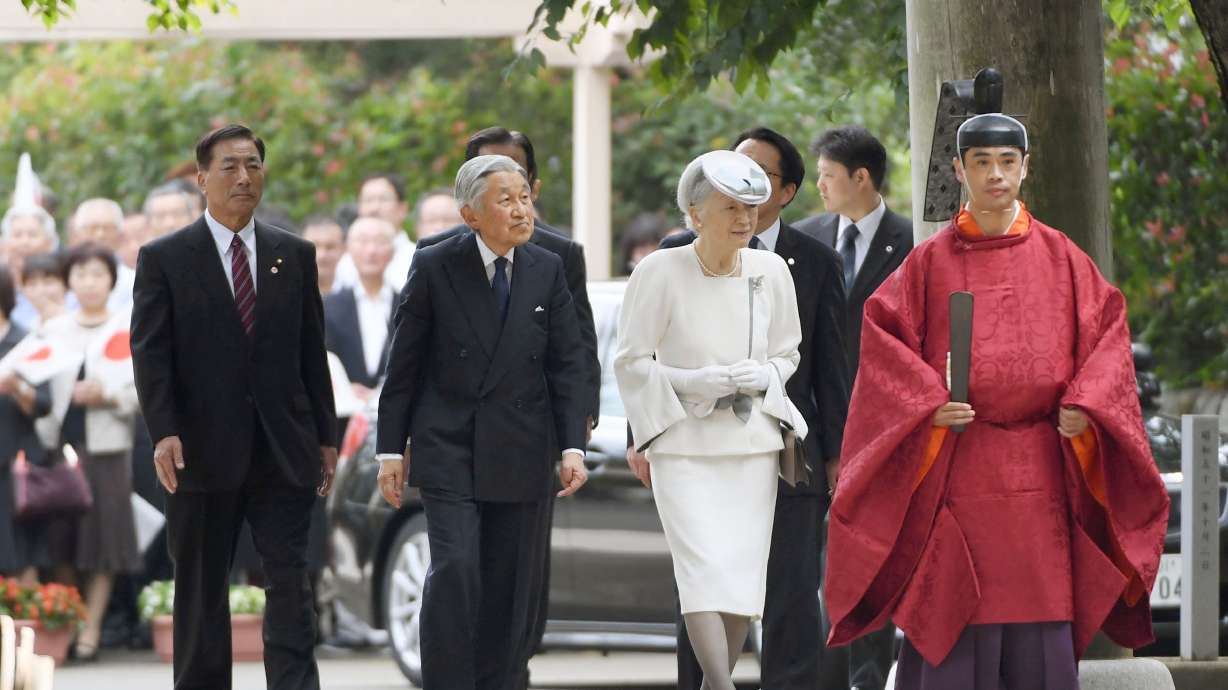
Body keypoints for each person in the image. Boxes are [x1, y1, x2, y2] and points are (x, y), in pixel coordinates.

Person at [824, 113, 1170, 689]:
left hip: (1040, 467)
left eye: (1007, 162)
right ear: (959, 169)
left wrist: (1085, 405)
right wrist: (928, 402)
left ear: (1025, 167)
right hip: (961, 460)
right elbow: (884, 342)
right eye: (981, 163)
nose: (995, 175)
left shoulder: (1064, 259)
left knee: (1040, 617)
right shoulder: (929, 262)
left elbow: (1108, 338)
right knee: (956, 613)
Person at [130, 124, 338, 690]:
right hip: (199, 450)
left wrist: (326, 435)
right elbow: (150, 355)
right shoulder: (165, 259)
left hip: (283, 448)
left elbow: (309, 352)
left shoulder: (293, 255)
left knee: (290, 586)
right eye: (229, 167)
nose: (244, 177)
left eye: (253, 165)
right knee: (200, 590)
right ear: (201, 179)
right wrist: (164, 431)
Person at [375, 154, 589, 690]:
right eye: (506, 200)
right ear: (471, 215)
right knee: (455, 570)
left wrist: (571, 448)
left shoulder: (547, 267)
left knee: (508, 585)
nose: (521, 210)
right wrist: (388, 450)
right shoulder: (434, 264)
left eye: (524, 197)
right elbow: (403, 364)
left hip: (521, 447)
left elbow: (568, 364)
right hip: (449, 446)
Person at [651, 129, 850, 690]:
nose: (738, 188)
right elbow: (645, 358)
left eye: (754, 179)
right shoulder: (672, 256)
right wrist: (649, 436)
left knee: (789, 595)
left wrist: (835, 456)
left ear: (783, 192)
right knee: (703, 588)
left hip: (785, 452)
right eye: (728, 176)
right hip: (696, 451)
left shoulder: (813, 262)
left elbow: (827, 368)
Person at [615, 150, 805, 690]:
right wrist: (692, 382)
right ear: (695, 215)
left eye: (751, 208)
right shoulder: (659, 270)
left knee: (742, 576)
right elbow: (631, 361)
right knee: (700, 571)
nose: (744, 220)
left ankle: (712, 685)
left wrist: (763, 374)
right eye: (731, 208)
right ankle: (720, 683)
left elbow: (789, 353)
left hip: (751, 446)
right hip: (684, 447)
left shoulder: (771, 271)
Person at [793, 125, 911, 690]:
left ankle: (869, 678)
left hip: (885, 428)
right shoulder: (807, 240)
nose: (819, 185)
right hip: (814, 426)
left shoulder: (912, 243)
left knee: (872, 558)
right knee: (812, 564)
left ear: (861, 178)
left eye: (828, 176)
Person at [40, 243, 141, 661]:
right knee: (61, 541)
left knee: (105, 541)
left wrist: (108, 396)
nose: (89, 282)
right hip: (59, 448)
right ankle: (74, 616)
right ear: (69, 282)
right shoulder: (54, 329)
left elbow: (145, 390)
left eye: (97, 273)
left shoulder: (127, 327)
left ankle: (91, 629)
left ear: (111, 281)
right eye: (80, 274)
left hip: (107, 448)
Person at [0, 264, 52, 586]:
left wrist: (16, 387)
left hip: (15, 463)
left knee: (20, 551)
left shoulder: (26, 341)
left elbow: (43, 405)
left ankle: (26, 630)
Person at [323, 217, 397, 400]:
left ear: (393, 251)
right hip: (342, 413)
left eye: (380, 242)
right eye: (363, 242)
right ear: (348, 249)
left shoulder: (408, 305)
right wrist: (344, 388)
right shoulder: (328, 305)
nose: (371, 251)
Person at [334, 173, 415, 291]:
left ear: (402, 209)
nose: (374, 208)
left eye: (383, 199)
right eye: (368, 200)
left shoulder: (416, 259)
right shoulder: (345, 262)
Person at [70, 198, 136, 310]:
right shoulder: (64, 275)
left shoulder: (133, 280)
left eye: (107, 228)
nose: (100, 234)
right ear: (78, 233)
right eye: (92, 228)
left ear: (120, 233)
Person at [1, 205, 59, 331]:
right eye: (17, 235)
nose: (24, 242)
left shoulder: (64, 287)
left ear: (49, 244)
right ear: (5, 243)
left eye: (32, 235)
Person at [19, 253, 67, 328]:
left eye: (48, 282)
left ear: (64, 284)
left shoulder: (76, 321)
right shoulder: (29, 325)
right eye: (32, 284)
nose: (40, 290)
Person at [301, 215, 346, 295]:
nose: (322, 255)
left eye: (330, 247)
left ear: (343, 249)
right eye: (314, 247)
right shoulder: (286, 292)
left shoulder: (355, 292)